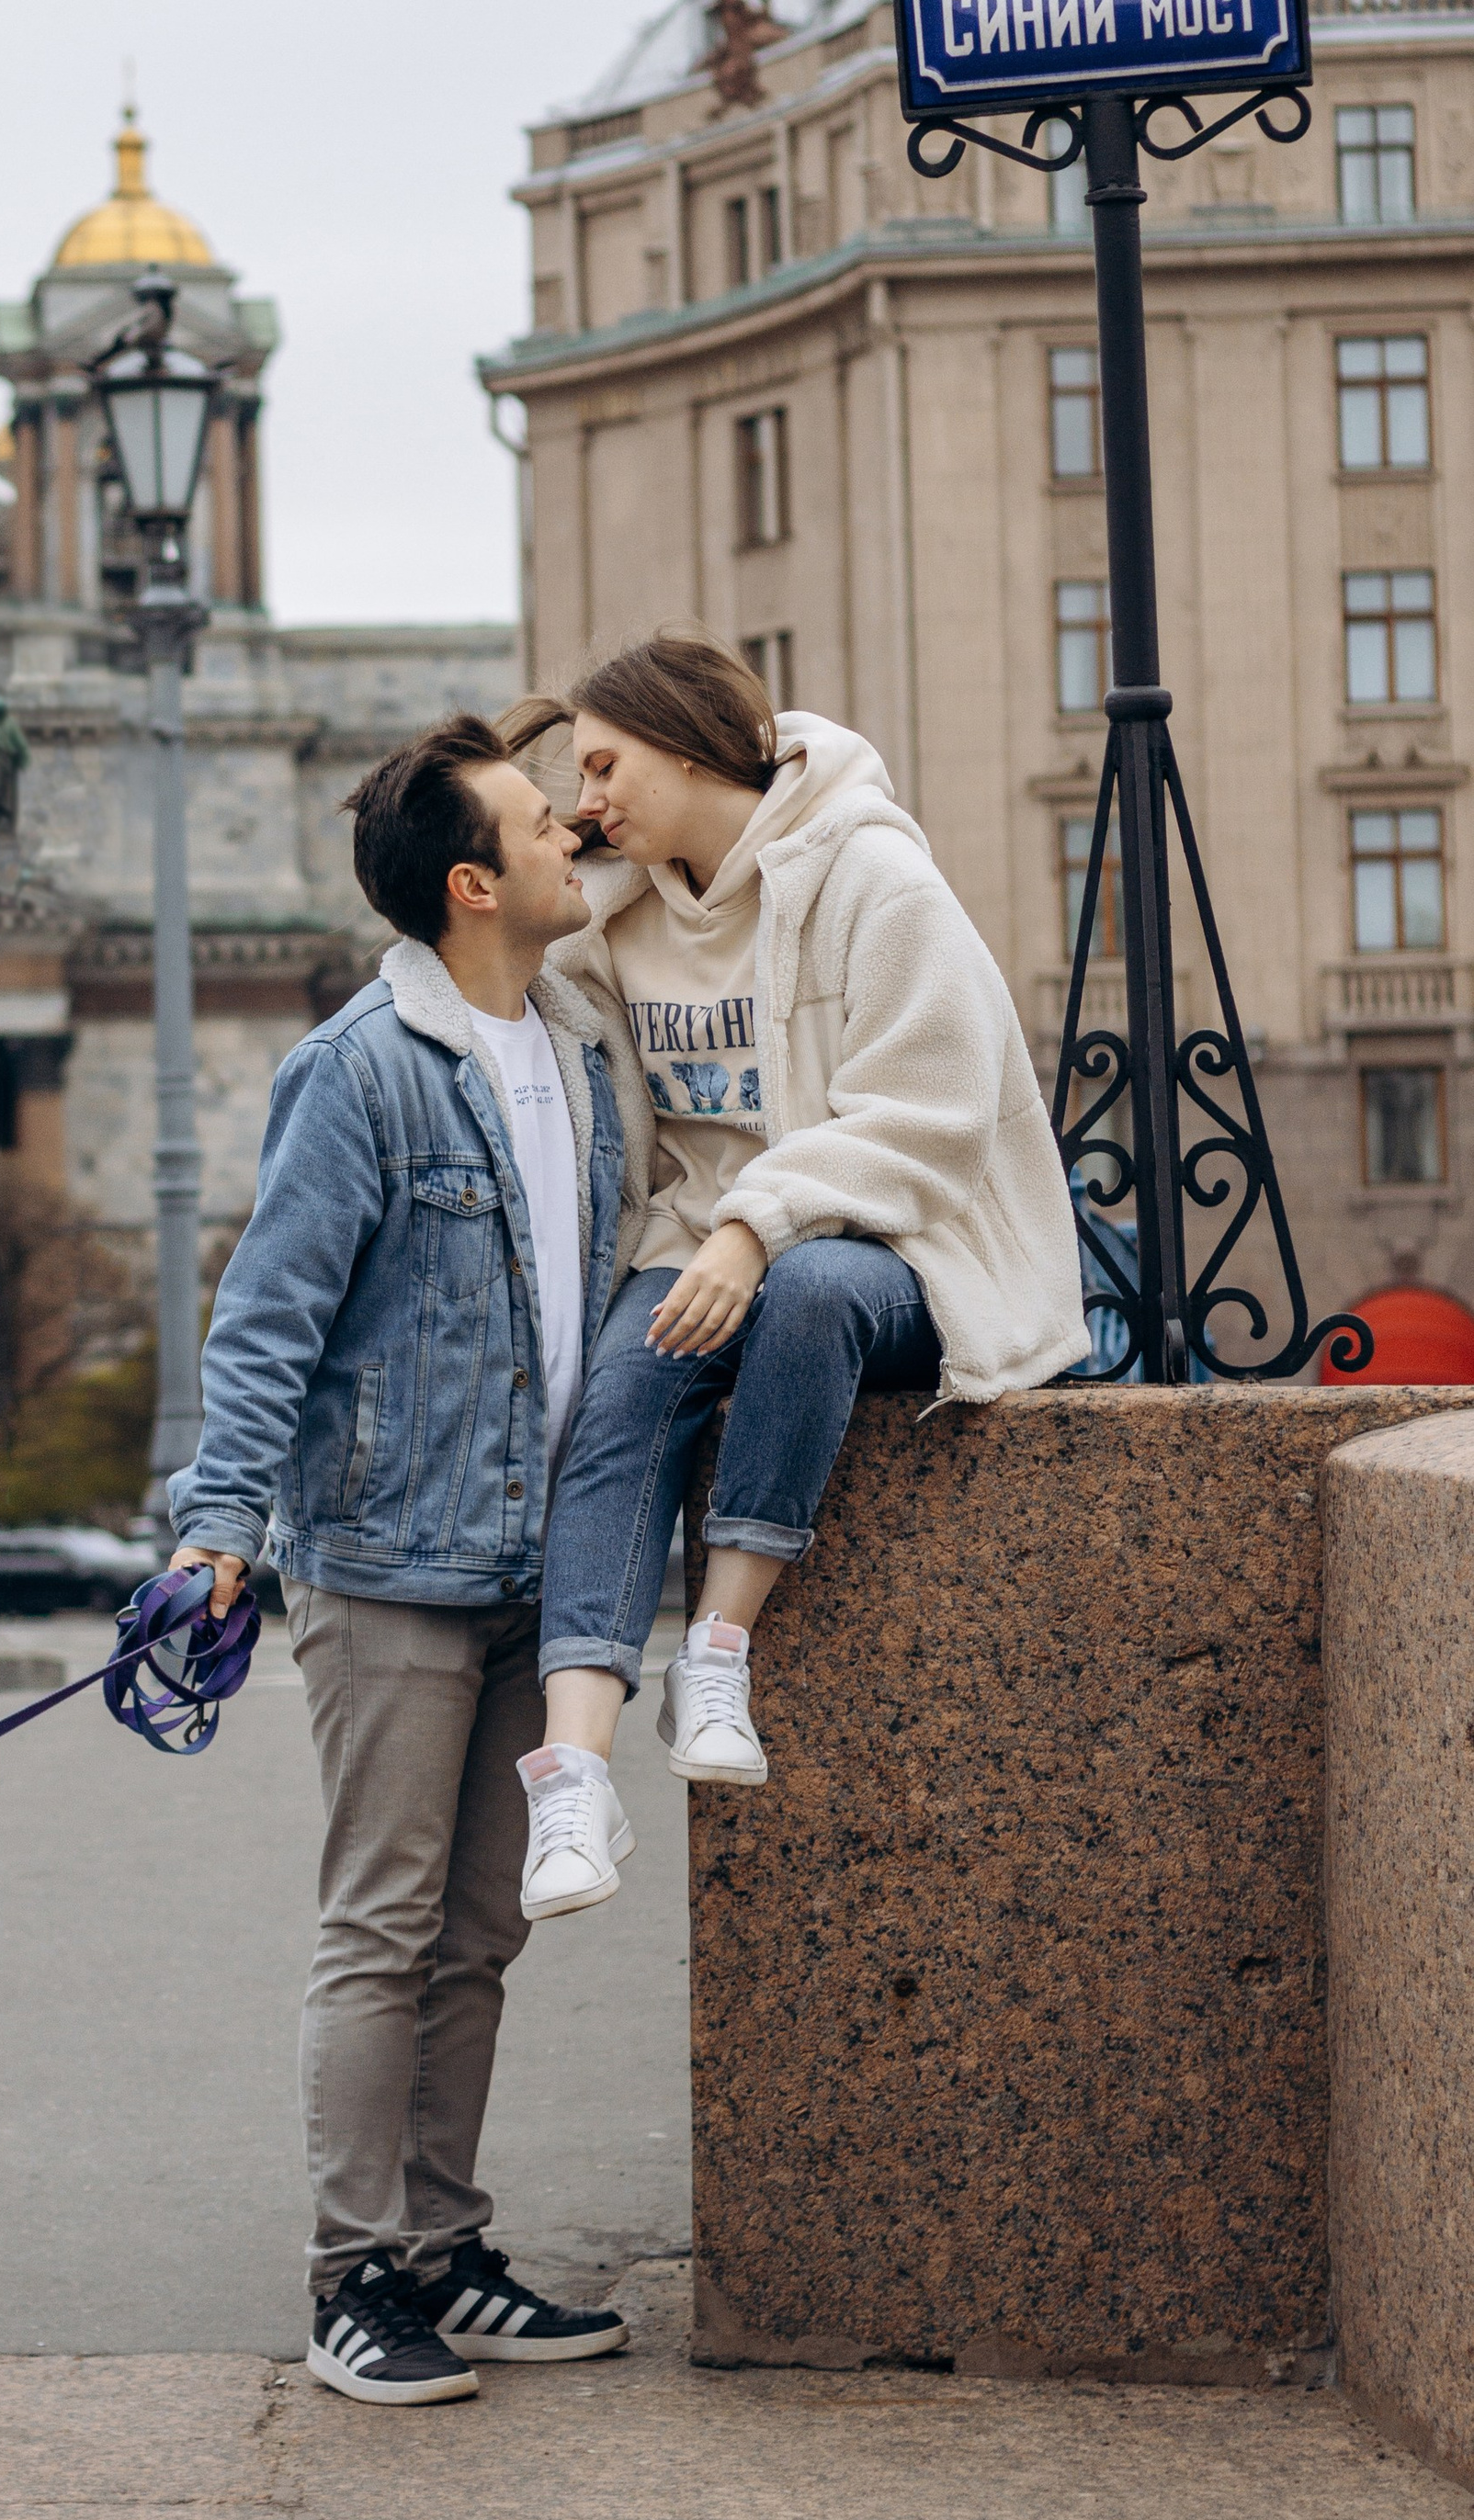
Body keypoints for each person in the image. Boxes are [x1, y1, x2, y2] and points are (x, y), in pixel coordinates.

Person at [165, 716, 644, 2404]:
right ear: (471, 884)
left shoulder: (579, 1047)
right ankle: (353, 2274)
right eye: (539, 821)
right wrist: (220, 1521)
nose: (572, 833)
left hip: (544, 1563)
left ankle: (444, 2247)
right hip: (384, 1563)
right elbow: (269, 1311)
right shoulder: (362, 1063)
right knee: (383, 1922)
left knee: (481, 1931)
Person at [503, 631, 1084, 1919]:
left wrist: (758, 1224)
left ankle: (719, 1646)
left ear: (692, 739)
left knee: (812, 1293)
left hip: (903, 1248)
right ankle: (575, 1784)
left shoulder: (873, 873)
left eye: (603, 763)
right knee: (621, 1394)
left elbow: (933, 1115)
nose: (587, 798)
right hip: (703, 1250)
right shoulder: (614, 918)